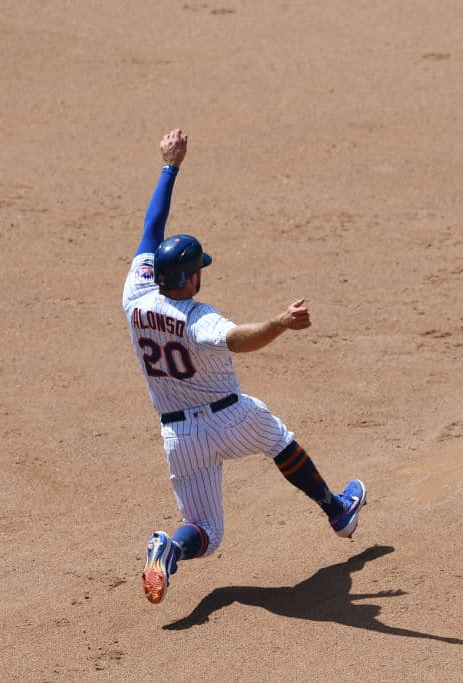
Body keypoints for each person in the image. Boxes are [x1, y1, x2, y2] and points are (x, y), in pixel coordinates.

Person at [122, 129, 366, 605]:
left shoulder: (135, 295)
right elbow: (237, 339)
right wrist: (280, 323)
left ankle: (169, 552)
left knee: (205, 533)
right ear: (190, 278)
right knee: (277, 440)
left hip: (179, 437)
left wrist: (169, 167)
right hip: (231, 418)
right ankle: (338, 511)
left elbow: (152, 229)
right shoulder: (198, 318)